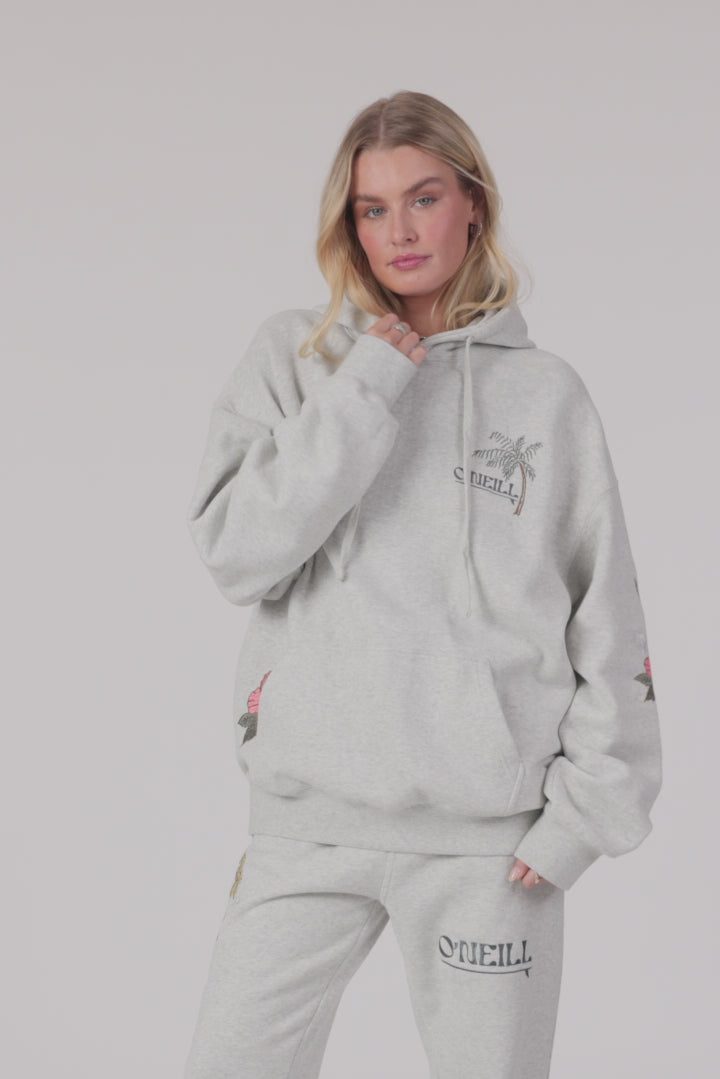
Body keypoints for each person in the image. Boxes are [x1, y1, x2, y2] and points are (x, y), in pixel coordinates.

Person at [182, 90, 662, 1079]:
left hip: (489, 844)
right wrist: (365, 385)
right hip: (309, 823)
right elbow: (236, 551)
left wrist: (585, 818)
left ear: (472, 204)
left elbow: (606, 615)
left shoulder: (546, 395)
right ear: (348, 223)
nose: (399, 231)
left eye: (424, 198)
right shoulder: (299, 359)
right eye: (373, 208)